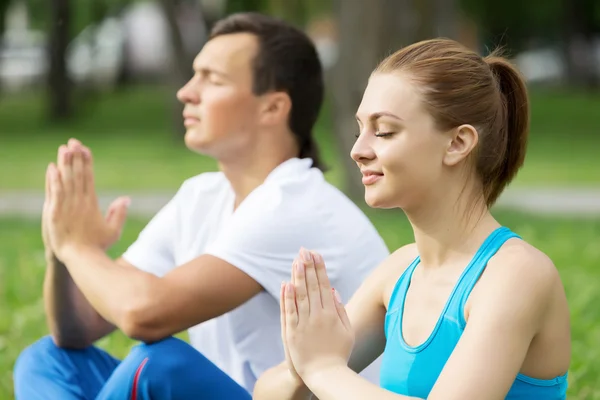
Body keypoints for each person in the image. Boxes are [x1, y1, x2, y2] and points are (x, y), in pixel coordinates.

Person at [13, 12, 389, 400]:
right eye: (195, 75)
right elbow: (80, 326)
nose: (187, 92)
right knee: (48, 358)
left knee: (157, 364)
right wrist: (62, 247)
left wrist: (79, 248)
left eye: (212, 79)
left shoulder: (294, 203)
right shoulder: (202, 196)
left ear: (273, 108)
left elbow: (143, 314)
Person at [254, 38, 571, 400]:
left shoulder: (516, 274)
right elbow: (270, 390)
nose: (358, 150)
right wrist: (304, 362)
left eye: (384, 131)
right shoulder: (400, 271)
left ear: (457, 143)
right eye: (361, 131)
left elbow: (321, 372)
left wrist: (322, 369)